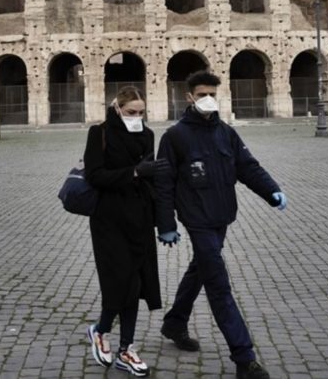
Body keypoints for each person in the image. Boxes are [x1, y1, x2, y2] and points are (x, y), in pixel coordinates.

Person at [155, 71, 287, 379]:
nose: (207, 98)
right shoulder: (175, 137)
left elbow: (247, 167)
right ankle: (244, 358)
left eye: (212, 93)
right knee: (218, 284)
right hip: (197, 219)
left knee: (200, 268)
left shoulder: (226, 132)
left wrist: (271, 190)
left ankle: (175, 322)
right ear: (189, 97)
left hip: (222, 216)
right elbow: (163, 184)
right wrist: (165, 224)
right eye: (201, 94)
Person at [83, 86, 170, 377]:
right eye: (131, 112)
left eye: (141, 112)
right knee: (119, 282)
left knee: (136, 284)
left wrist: (164, 222)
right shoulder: (100, 133)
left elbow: (152, 182)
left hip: (140, 218)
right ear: (118, 108)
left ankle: (126, 349)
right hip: (109, 220)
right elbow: (94, 176)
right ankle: (101, 330)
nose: (137, 117)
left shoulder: (147, 135)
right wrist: (134, 172)